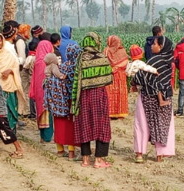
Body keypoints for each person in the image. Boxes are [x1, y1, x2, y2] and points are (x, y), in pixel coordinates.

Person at [72, 33, 113, 168]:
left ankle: (85, 159)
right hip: (99, 95)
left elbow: (76, 78)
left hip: (84, 96)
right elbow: (109, 78)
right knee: (102, 125)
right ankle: (98, 160)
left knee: (85, 124)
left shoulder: (81, 58)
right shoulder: (102, 57)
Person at [133, 36, 176, 162]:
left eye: (155, 44)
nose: (152, 46)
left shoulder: (153, 60)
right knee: (163, 125)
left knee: (142, 125)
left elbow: (140, 76)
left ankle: (139, 154)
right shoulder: (169, 62)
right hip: (165, 97)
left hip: (147, 97)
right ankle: (160, 155)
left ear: (161, 46)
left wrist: (134, 81)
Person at [47, 34, 79, 159]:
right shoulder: (78, 68)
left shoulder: (62, 66)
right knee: (71, 125)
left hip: (60, 100)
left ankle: (60, 150)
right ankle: (71, 152)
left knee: (59, 123)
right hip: (72, 100)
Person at [0, 33, 26, 132]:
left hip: (9, 87)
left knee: (10, 110)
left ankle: (11, 132)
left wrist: (10, 71)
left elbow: (15, 66)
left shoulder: (8, 54)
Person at [32, 35, 54, 142]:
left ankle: (42, 136)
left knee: (40, 113)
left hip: (38, 92)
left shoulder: (37, 61)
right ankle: (47, 137)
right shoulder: (47, 63)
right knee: (47, 114)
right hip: (46, 92)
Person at [104, 35, 130, 119]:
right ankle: (119, 112)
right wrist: (118, 67)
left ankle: (110, 112)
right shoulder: (123, 51)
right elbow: (126, 62)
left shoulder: (106, 50)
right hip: (121, 75)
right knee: (120, 93)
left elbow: (104, 62)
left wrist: (113, 68)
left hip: (110, 74)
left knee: (110, 94)